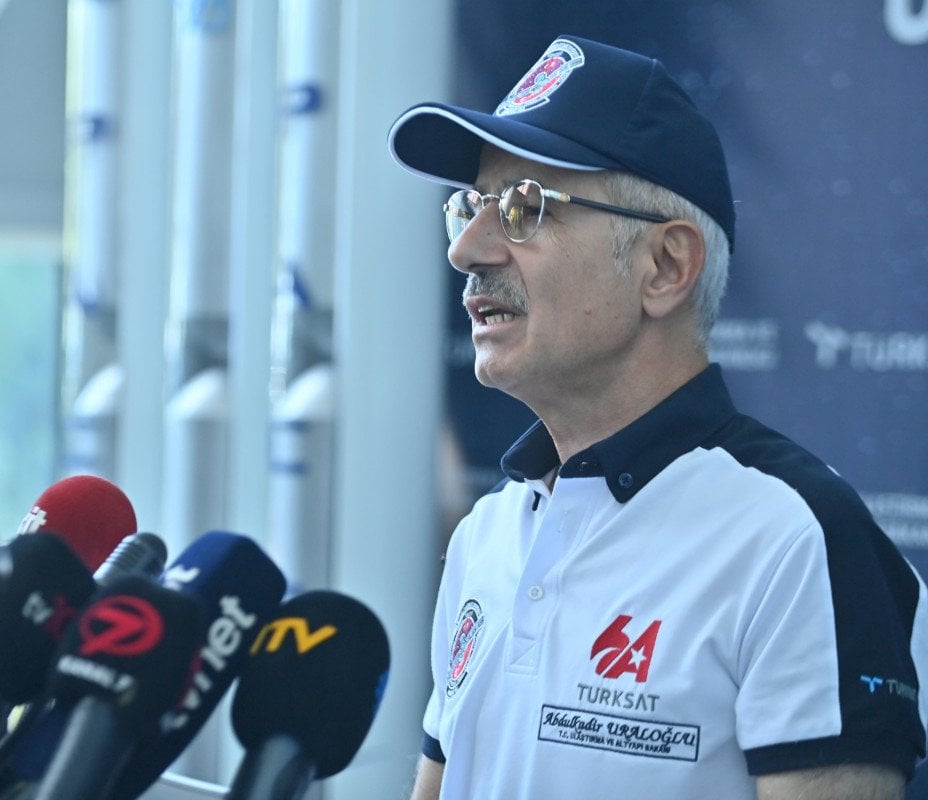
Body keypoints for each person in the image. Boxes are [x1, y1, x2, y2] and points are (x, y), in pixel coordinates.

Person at [386, 34, 928, 799]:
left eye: (523, 207)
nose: (467, 249)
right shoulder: (488, 531)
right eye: (470, 207)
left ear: (666, 267)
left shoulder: (796, 538)